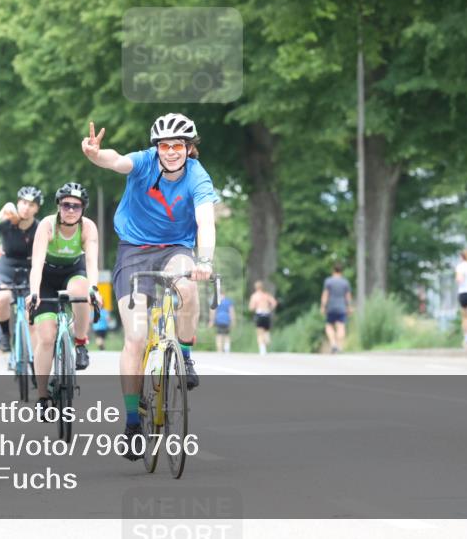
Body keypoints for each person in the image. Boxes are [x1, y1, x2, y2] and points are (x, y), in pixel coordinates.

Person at [82, 113, 217, 460]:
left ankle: (184, 357)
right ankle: (131, 423)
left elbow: (205, 221)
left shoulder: (198, 178)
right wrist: (97, 156)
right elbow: (117, 161)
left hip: (175, 250)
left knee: (188, 287)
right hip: (134, 251)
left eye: (178, 146)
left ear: (189, 148)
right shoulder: (144, 163)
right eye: (164, 145)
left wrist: (204, 262)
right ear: (156, 147)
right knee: (137, 336)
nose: (171, 152)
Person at [26, 182, 102, 419]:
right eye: (66, 205)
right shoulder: (47, 226)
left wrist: (94, 289)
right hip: (47, 276)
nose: (71, 210)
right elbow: (36, 263)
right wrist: (34, 292)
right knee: (46, 337)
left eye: (76, 206)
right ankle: (42, 395)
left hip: (73, 271)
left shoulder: (88, 227)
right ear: (59, 206)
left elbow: (91, 263)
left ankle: (80, 343)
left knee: (81, 289)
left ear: (83, 209)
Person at [0, 186, 43, 352]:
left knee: (31, 317)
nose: (26, 207)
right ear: (18, 203)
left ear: (37, 208)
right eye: (24, 203)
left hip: (30, 268)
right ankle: (4, 333)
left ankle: (35, 365)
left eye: (31, 205)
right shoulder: (6, 223)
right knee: (3, 296)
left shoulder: (40, 228)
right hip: (6, 267)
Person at [320, 264, 353, 353]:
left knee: (329, 326)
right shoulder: (345, 282)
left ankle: (333, 344)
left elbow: (325, 295)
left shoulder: (328, 281)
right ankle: (339, 346)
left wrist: (323, 306)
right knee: (341, 326)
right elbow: (348, 296)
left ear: (333, 270)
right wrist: (349, 307)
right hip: (342, 307)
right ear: (342, 271)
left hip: (331, 307)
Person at [248, 281, 278, 355]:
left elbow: (251, 307)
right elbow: (274, 303)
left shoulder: (254, 296)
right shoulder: (266, 295)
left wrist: (254, 308)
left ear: (256, 288)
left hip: (259, 314)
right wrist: (270, 308)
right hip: (267, 314)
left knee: (259, 333)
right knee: (266, 331)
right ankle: (267, 342)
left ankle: (262, 349)